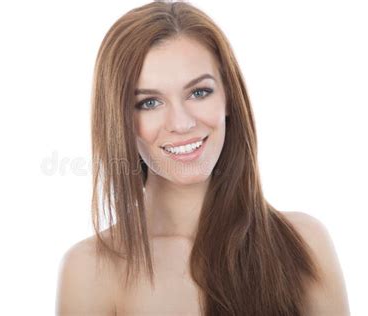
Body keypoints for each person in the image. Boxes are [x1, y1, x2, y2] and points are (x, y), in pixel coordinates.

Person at [55, 1, 350, 315]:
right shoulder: (89, 271)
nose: (181, 123)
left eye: (198, 92)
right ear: (120, 119)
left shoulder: (304, 243)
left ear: (228, 98)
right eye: (150, 102)